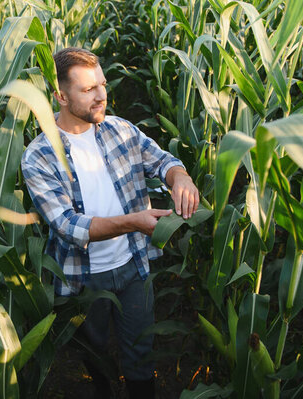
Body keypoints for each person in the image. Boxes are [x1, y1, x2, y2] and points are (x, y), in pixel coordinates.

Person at [21, 47, 199, 398]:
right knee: (96, 356)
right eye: (88, 90)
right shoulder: (38, 156)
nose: (101, 95)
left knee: (140, 354)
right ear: (60, 96)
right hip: (85, 280)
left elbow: (163, 161)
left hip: (135, 266)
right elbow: (69, 226)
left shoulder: (120, 129)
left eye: (101, 84)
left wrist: (181, 178)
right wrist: (134, 222)